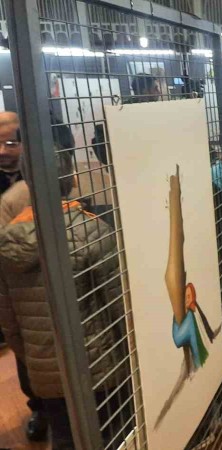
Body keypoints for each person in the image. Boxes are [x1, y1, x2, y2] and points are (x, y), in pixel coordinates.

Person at [0, 150, 126, 449]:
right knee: (114, 434)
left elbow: (9, 322)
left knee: (65, 437)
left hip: (45, 370)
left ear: (27, 179)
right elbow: (120, 307)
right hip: (100, 365)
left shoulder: (7, 241)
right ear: (71, 178)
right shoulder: (92, 230)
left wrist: (33, 358)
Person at [0, 111, 48, 442]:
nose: (2, 150)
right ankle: (39, 408)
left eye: (10, 142)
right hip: (11, 280)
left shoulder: (42, 171)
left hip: (48, 272)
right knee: (24, 346)